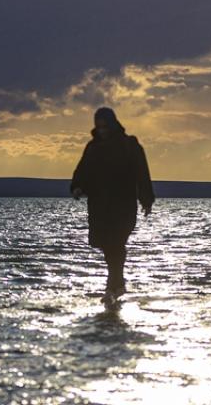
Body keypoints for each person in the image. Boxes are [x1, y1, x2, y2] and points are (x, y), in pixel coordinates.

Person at [70, 107, 155, 302]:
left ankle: (113, 286)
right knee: (106, 245)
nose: (102, 130)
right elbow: (82, 170)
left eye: (105, 126)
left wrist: (146, 200)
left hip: (123, 205)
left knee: (116, 242)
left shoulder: (129, 145)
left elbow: (142, 173)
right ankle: (117, 284)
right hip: (99, 206)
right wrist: (77, 186)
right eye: (99, 127)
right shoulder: (93, 147)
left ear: (113, 124)